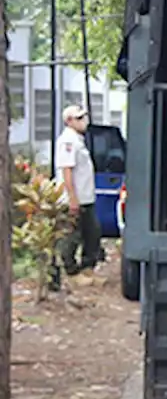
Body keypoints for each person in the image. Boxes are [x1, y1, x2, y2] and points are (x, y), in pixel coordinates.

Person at [54, 104, 100, 288]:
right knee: (71, 236)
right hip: (75, 199)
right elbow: (67, 171)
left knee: (92, 234)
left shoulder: (78, 140)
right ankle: (71, 271)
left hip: (86, 199)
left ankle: (87, 270)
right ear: (69, 121)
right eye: (79, 118)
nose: (84, 121)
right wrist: (72, 198)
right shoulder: (68, 141)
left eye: (84, 117)